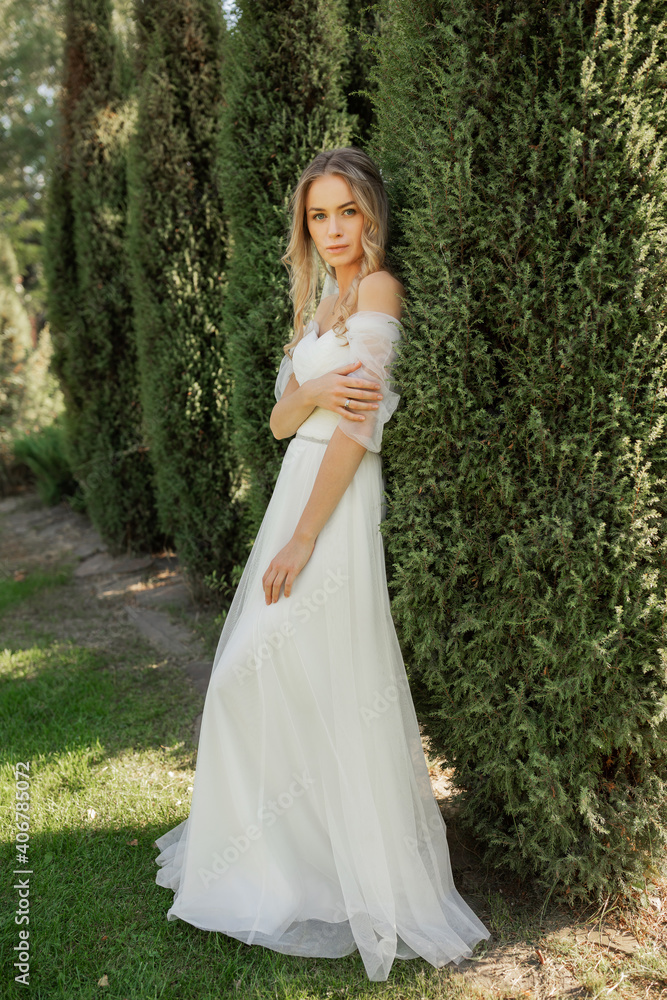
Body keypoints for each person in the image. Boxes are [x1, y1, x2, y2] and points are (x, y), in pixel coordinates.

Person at [154, 147, 490, 982]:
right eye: (318, 215)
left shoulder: (377, 292)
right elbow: (278, 421)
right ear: (305, 225)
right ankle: (287, 864)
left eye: (347, 212)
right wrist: (304, 395)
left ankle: (344, 873)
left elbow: (356, 429)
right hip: (293, 492)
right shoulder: (316, 301)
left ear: (370, 215)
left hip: (331, 505)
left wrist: (305, 537)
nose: (333, 229)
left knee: (294, 675)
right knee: (268, 679)